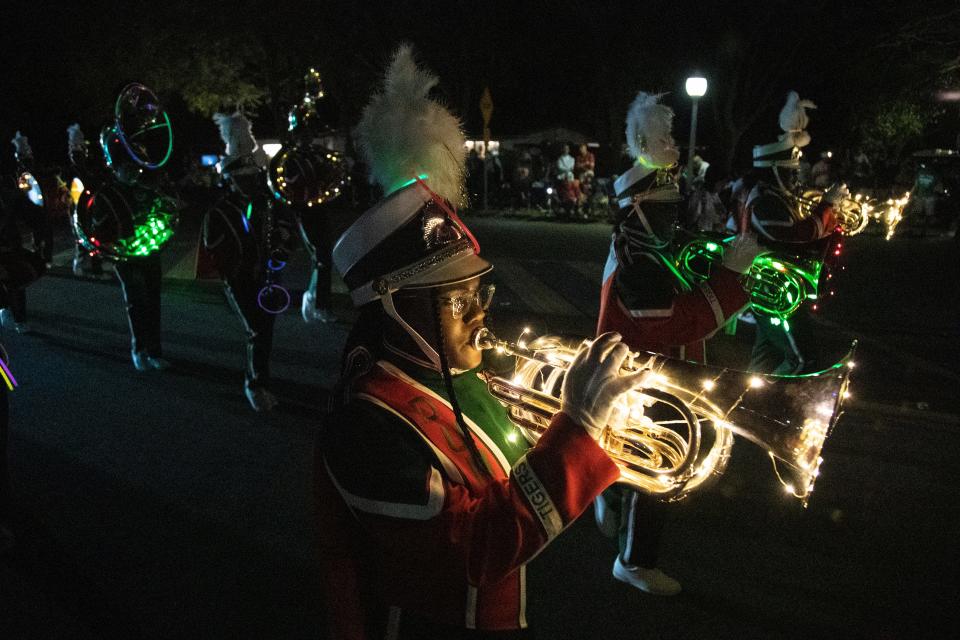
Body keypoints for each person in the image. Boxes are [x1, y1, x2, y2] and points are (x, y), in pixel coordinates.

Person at [317, 45, 635, 639]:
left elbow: (515, 474)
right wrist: (579, 433)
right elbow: (476, 551)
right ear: (398, 308)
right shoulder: (366, 427)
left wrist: (602, 430)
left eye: (478, 293)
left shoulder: (451, 374)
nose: (482, 312)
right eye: (458, 300)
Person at [596, 91, 760, 596]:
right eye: (669, 211)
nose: (677, 221)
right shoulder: (640, 257)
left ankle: (608, 492)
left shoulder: (645, 242)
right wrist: (732, 279)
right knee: (661, 467)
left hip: (646, 371)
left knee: (640, 457)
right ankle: (635, 561)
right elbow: (678, 323)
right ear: (642, 207)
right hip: (647, 376)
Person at [742, 91, 846, 374]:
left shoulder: (779, 198)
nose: (795, 178)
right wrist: (826, 206)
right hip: (773, 291)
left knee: (765, 359)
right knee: (803, 360)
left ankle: (751, 408)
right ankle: (770, 408)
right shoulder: (764, 201)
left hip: (782, 291)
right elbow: (797, 234)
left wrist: (833, 216)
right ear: (773, 171)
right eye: (789, 173)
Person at [202, 111, 286, 411]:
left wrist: (279, 248)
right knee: (256, 329)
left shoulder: (263, 205)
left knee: (267, 329)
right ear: (231, 179)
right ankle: (255, 385)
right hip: (240, 280)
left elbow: (277, 234)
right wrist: (241, 267)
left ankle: (262, 378)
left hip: (266, 277)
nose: (251, 183)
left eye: (253, 177)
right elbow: (216, 252)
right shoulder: (219, 212)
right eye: (244, 178)